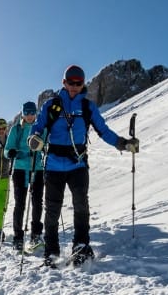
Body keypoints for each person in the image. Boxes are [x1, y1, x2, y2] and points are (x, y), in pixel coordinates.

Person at [28, 64, 139, 267]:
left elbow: (103, 131)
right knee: (52, 210)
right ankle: (51, 252)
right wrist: (34, 138)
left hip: (77, 165)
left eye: (78, 83)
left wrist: (123, 143)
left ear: (82, 84)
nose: (74, 87)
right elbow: (38, 126)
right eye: (71, 82)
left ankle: (81, 246)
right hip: (53, 165)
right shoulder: (51, 105)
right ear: (64, 82)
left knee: (81, 206)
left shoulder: (88, 107)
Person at [4, 101, 45, 251]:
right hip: (21, 169)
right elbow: (7, 150)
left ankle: (36, 235)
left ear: (36, 113)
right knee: (20, 204)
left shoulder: (40, 128)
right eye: (26, 113)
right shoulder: (17, 129)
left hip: (37, 168)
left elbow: (46, 144)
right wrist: (11, 153)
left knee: (37, 202)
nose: (29, 116)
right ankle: (18, 237)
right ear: (22, 114)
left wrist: (45, 150)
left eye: (32, 113)